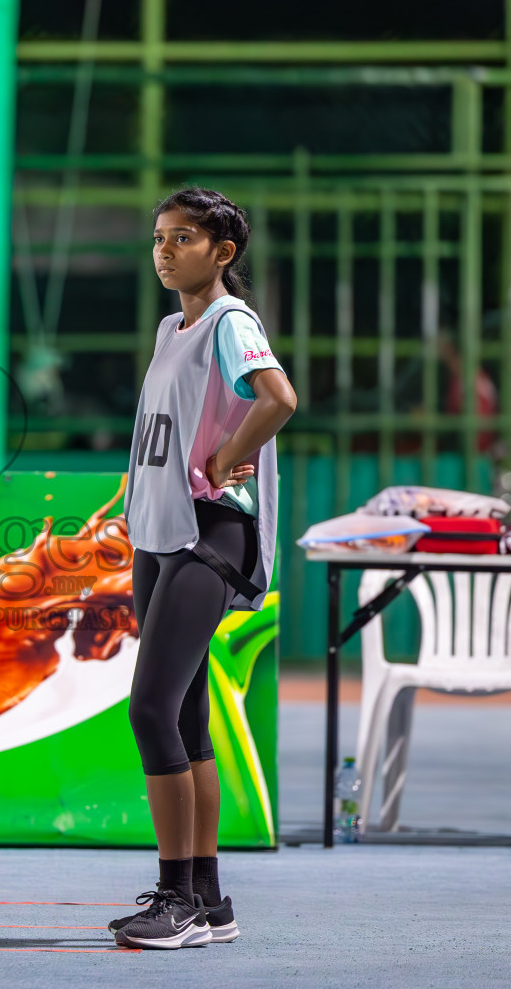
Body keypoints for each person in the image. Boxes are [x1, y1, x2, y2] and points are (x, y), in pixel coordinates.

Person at [115, 187, 297, 949]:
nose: (165, 250)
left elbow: (279, 397)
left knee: (151, 709)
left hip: (212, 533)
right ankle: (210, 898)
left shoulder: (230, 320)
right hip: (162, 534)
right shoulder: (171, 328)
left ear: (222, 253)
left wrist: (228, 458)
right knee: (187, 720)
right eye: (160, 238)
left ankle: (175, 896)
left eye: (182, 239)